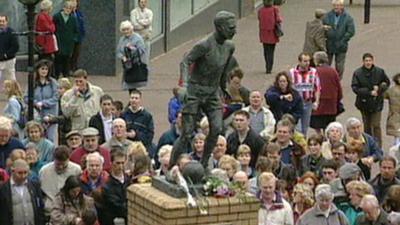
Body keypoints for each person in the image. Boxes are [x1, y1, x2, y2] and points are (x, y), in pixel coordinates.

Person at [170, 11, 236, 169]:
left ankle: (203, 164)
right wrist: (185, 86)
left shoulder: (229, 47)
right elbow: (185, 61)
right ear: (220, 27)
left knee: (217, 128)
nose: (234, 31)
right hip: (195, 91)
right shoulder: (204, 44)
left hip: (212, 92)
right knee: (186, 133)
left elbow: (224, 69)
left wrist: (223, 87)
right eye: (231, 27)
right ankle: (171, 167)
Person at [352, 53, 390, 148]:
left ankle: (378, 146)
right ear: (363, 62)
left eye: (369, 60)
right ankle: (368, 146)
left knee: (376, 125)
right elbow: (355, 88)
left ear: (373, 61)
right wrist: (369, 92)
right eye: (366, 61)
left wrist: (380, 88)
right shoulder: (358, 73)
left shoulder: (379, 71)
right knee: (367, 126)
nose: (368, 63)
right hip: (364, 103)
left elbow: (386, 82)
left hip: (377, 103)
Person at [0, 159, 45, 225]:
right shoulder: (3, 189)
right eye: (20, 173)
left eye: (25, 172)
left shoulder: (35, 185)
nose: (23, 176)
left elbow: (40, 208)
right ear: (12, 171)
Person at [27, 59, 59, 143]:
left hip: (50, 115)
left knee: (51, 137)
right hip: (37, 115)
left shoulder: (53, 83)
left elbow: (56, 97)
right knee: (38, 137)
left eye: (46, 69)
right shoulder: (33, 82)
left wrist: (43, 103)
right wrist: (35, 103)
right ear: (38, 70)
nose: (44, 71)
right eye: (42, 69)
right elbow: (26, 97)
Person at [289, 52, 321, 135]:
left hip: (308, 103)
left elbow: (317, 88)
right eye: (305, 61)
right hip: (296, 103)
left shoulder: (313, 72)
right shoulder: (292, 72)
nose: (307, 63)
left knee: (305, 127)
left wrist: (316, 101)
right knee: (297, 126)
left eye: (308, 61)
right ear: (299, 62)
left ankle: (303, 143)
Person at [311, 51, 342, 133]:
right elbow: (338, 87)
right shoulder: (333, 71)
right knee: (328, 126)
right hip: (331, 105)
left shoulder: (314, 71)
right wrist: (338, 100)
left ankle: (319, 137)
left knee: (317, 126)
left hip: (318, 104)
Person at [322, 0, 355, 79]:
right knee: (326, 64)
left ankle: (338, 80)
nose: (336, 7)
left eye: (338, 5)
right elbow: (322, 26)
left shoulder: (348, 18)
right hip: (329, 44)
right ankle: (326, 80)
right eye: (334, 5)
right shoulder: (327, 16)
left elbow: (351, 31)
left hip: (341, 45)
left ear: (342, 6)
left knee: (339, 66)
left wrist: (344, 39)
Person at [99, 149, 130, 225]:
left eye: (123, 163)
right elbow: (118, 207)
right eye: (118, 163)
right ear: (111, 163)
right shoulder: (107, 186)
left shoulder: (129, 180)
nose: (120, 166)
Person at [117, 20, 147, 92]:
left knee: (134, 83)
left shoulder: (137, 38)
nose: (126, 31)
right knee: (129, 83)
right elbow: (118, 51)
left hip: (135, 64)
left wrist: (132, 49)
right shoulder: (122, 39)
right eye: (124, 30)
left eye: (127, 29)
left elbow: (142, 50)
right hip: (127, 65)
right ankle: (133, 98)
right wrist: (123, 57)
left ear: (131, 29)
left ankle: (134, 99)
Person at [121, 89, 155, 153]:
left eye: (136, 98)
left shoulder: (147, 116)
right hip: (126, 148)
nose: (134, 100)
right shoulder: (124, 114)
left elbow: (150, 136)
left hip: (142, 149)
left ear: (140, 100)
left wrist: (136, 135)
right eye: (132, 98)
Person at [53, 1, 78, 78]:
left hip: (69, 43)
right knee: (58, 60)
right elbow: (54, 29)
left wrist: (74, 39)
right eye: (66, 8)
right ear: (63, 8)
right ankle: (57, 75)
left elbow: (75, 30)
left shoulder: (73, 18)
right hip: (59, 41)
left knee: (66, 61)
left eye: (70, 8)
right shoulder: (57, 16)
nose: (68, 10)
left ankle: (65, 76)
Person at [258, 0, 282, 74]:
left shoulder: (260, 10)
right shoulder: (275, 9)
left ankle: (267, 65)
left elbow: (259, 18)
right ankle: (269, 67)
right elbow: (278, 19)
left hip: (263, 32)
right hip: (272, 33)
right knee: (271, 51)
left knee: (265, 50)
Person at [0, 15, 19, 81]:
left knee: (11, 81)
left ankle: (13, 91)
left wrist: (6, 55)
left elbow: (16, 46)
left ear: (6, 22)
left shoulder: (11, 32)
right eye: (0, 21)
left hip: (9, 60)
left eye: (3, 21)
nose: (1, 23)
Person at [70, 0, 86, 72]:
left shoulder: (78, 13)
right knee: (71, 54)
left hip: (79, 37)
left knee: (76, 53)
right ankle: (69, 69)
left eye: (75, 1)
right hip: (71, 37)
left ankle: (74, 67)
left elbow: (81, 23)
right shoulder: (68, 13)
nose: (74, 3)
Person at [385, 73, 400, 146]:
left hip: (395, 115)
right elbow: (384, 95)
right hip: (395, 115)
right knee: (397, 136)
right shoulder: (392, 90)